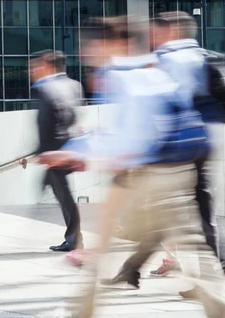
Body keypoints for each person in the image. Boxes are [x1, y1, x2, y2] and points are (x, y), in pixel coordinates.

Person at [38, 16, 225, 318]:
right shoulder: (153, 67)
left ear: (112, 43)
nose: (86, 52)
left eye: (90, 44)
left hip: (148, 171)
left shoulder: (123, 75)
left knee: (114, 233)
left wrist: (75, 152)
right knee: (185, 236)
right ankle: (209, 298)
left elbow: (132, 138)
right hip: (179, 166)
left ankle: (86, 304)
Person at [102, 12, 225, 289]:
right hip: (202, 140)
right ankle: (132, 269)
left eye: (154, 32)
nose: (151, 38)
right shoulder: (202, 54)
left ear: (169, 31)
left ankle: (213, 275)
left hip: (179, 145)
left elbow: (169, 105)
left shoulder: (170, 58)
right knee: (177, 209)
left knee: (190, 211)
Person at [30, 49, 84, 252]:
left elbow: (45, 123)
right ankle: (73, 238)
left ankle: (73, 239)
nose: (33, 71)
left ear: (47, 65)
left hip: (54, 151)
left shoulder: (46, 89)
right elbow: (72, 117)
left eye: (36, 66)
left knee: (64, 196)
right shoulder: (74, 85)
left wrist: (42, 152)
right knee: (63, 193)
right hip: (70, 145)